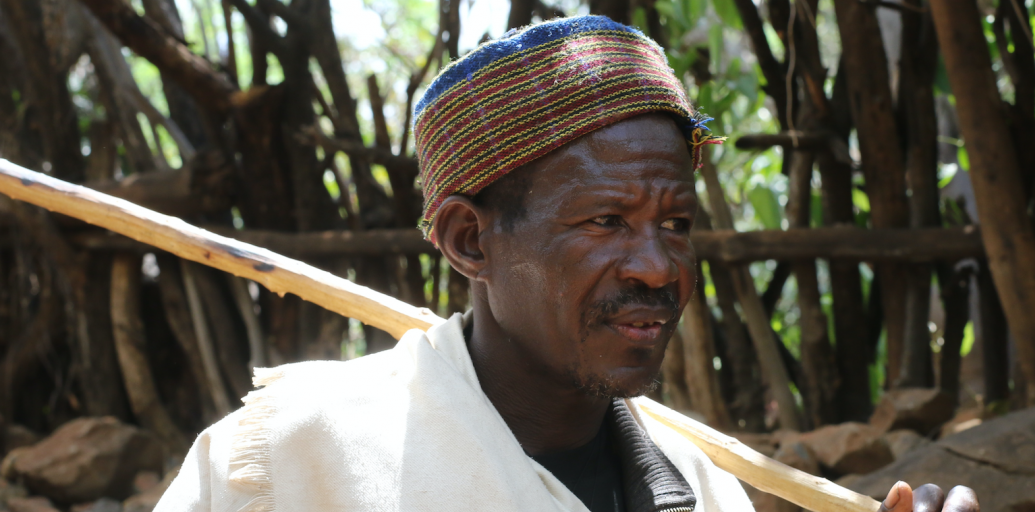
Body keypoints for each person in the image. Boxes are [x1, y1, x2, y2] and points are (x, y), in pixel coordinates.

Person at [156, 15, 979, 512]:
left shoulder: (701, 489)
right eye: (606, 221)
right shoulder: (294, 466)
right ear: (469, 240)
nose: (658, 269)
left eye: (677, 222)